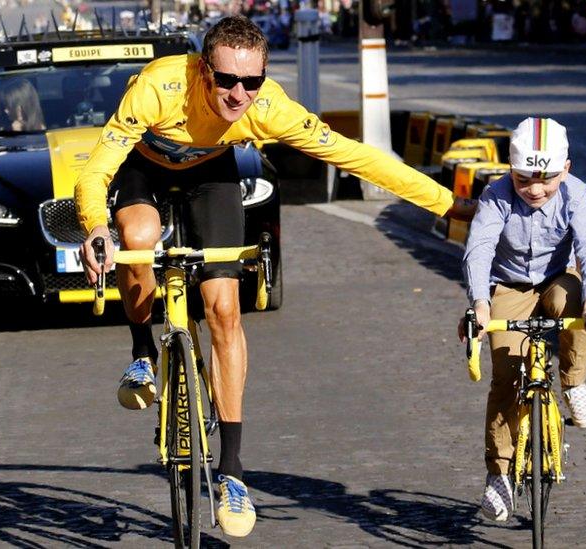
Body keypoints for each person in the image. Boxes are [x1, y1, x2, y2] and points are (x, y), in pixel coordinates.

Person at [74, 15, 475, 539]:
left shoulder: (267, 107)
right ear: (202, 70)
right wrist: (95, 227)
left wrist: (449, 204)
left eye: (252, 81)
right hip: (142, 165)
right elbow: (98, 166)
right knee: (140, 237)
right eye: (226, 81)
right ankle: (142, 354)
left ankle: (233, 472)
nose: (239, 94)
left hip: (211, 173)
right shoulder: (158, 86)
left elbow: (355, 156)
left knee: (223, 308)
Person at [460, 117, 586, 522]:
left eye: (546, 179)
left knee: (575, 302)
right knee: (505, 377)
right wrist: (479, 304)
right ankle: (499, 474)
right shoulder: (495, 196)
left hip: (558, 280)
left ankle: (575, 384)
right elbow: (479, 248)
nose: (535, 189)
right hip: (508, 286)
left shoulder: (576, 195)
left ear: (566, 168)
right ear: (511, 170)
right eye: (524, 178)